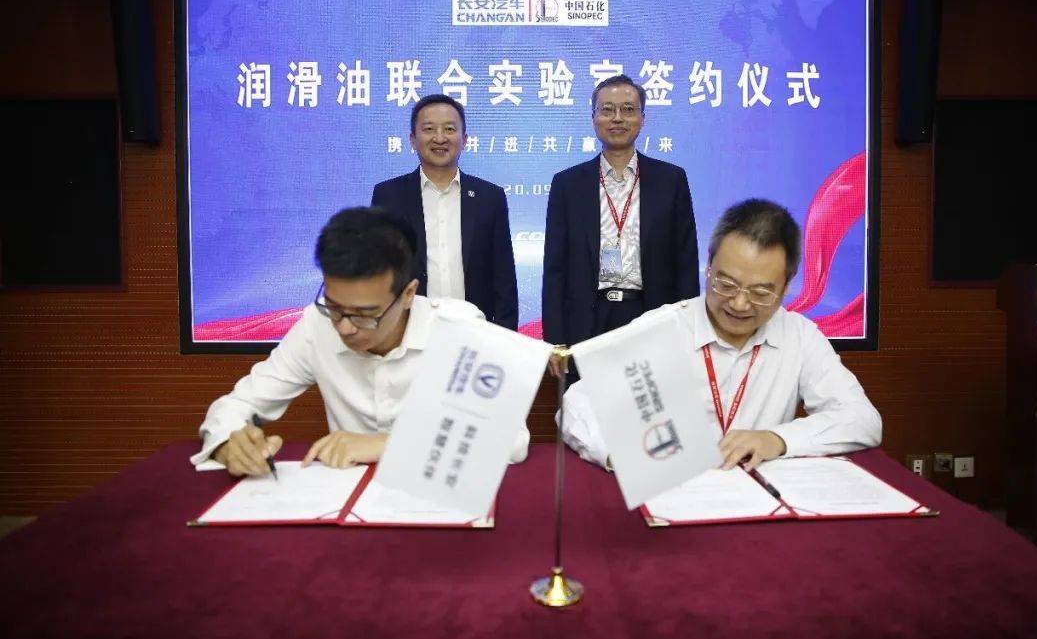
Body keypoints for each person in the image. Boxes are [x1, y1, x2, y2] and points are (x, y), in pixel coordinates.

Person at [191, 206, 529, 476]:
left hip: (434, 500)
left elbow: (512, 439)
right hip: (344, 506)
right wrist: (229, 443)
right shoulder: (316, 326)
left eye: (365, 314)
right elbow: (235, 405)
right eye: (334, 307)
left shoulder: (460, 330)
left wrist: (387, 444)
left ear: (408, 294)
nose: (345, 328)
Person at [561, 198, 882, 469]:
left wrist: (777, 439)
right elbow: (577, 404)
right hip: (674, 490)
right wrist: (622, 455)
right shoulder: (663, 327)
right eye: (726, 284)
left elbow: (862, 419)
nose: (739, 304)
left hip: (759, 499)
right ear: (709, 268)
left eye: (760, 292)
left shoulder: (799, 336)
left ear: (787, 284)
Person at [542, 74, 698, 372]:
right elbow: (555, 269)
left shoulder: (671, 180)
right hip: (587, 321)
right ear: (593, 118)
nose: (617, 118)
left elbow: (686, 263)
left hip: (652, 318)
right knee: (586, 400)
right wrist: (556, 341)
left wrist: (688, 331)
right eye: (607, 110)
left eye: (628, 109)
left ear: (642, 118)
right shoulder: (567, 184)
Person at [372, 94, 518, 331]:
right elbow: (378, 271)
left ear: (464, 139)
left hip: (474, 331)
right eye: (429, 129)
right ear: (412, 139)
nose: (439, 138)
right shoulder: (388, 196)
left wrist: (505, 336)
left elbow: (504, 277)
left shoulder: (490, 197)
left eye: (449, 129)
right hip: (408, 331)